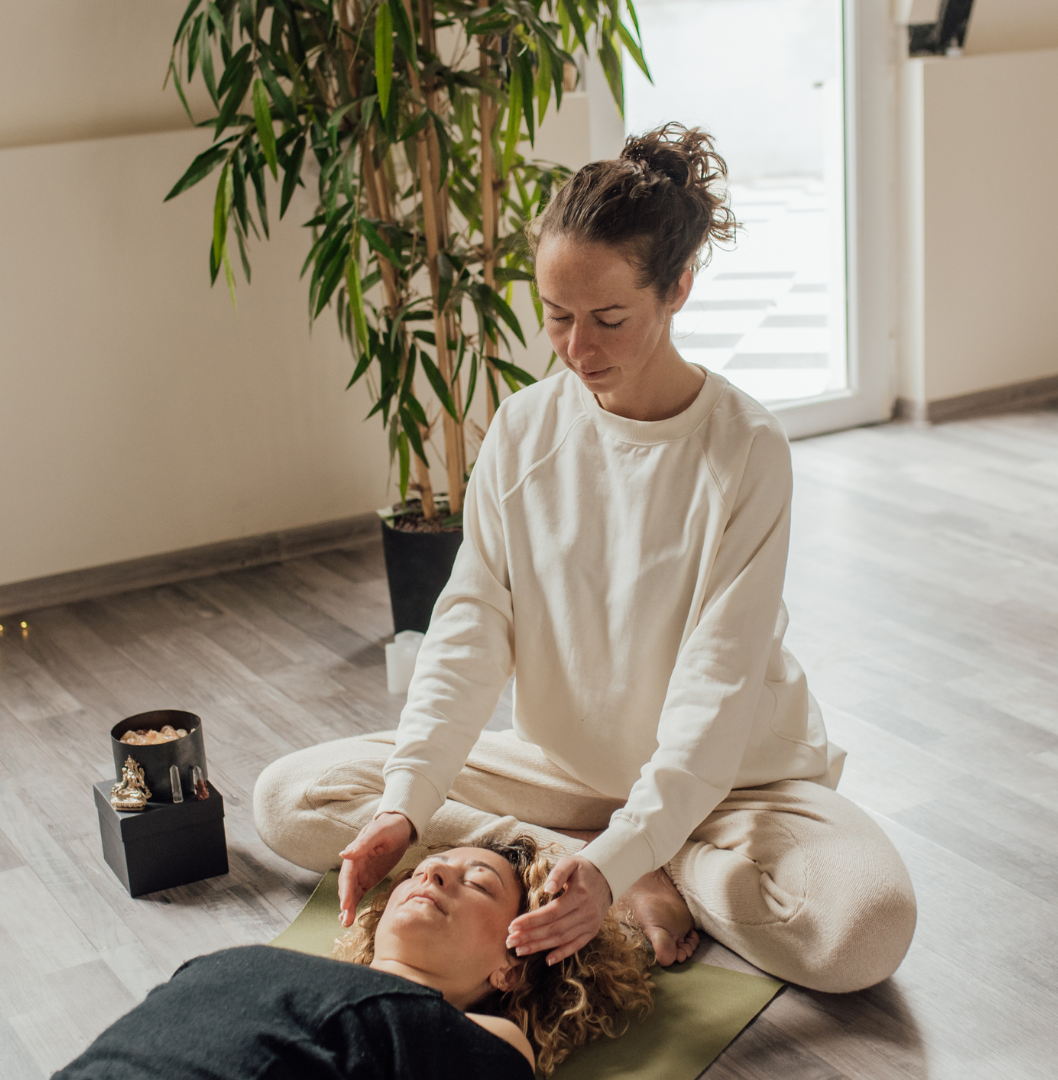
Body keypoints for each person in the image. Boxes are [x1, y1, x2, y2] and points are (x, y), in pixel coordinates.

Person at [254, 123, 917, 994]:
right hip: (561, 775)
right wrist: (406, 804)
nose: (578, 349)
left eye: (609, 319)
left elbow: (717, 688)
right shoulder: (526, 427)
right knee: (294, 796)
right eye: (558, 317)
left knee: (862, 930)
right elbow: (470, 627)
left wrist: (628, 847)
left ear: (677, 287)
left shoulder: (746, 449)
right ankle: (582, 860)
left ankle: (634, 862)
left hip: (734, 783)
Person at [52, 839, 652, 1080]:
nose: (434, 870)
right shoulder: (265, 962)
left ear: (514, 966)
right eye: (422, 869)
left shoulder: (487, 1035)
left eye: (479, 883)